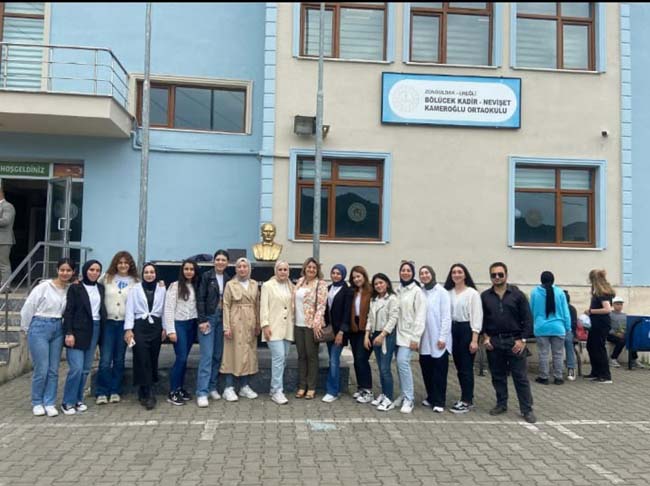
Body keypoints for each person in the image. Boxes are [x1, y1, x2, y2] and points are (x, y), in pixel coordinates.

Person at [481, 262, 536, 424]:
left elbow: (528, 319)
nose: (497, 277)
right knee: (497, 376)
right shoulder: (485, 296)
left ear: (506, 275)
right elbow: (481, 319)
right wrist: (485, 337)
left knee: (520, 377)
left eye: (500, 274)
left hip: (515, 341)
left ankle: (526, 409)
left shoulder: (518, 295)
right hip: (494, 341)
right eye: (493, 275)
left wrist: (523, 340)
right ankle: (501, 404)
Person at [20, 258, 75, 417]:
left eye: (68, 270)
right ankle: (37, 402)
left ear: (73, 272)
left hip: (58, 327)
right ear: (57, 270)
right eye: (62, 270)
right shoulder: (43, 287)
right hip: (40, 325)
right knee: (42, 368)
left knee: (53, 369)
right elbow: (28, 307)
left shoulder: (69, 289)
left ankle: (49, 402)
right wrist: (26, 328)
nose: (65, 273)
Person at [61, 259, 106, 415]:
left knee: (86, 369)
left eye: (97, 270)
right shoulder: (75, 288)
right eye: (91, 269)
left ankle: (78, 399)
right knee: (76, 368)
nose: (94, 273)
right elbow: (69, 311)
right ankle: (67, 402)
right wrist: (69, 332)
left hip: (95, 328)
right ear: (85, 270)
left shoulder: (100, 288)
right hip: (78, 331)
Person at [95, 251, 138, 405]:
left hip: (124, 325)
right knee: (105, 360)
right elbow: (92, 287)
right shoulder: (106, 278)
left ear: (130, 264)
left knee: (119, 359)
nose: (123, 265)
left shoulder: (135, 281)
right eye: (120, 262)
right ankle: (102, 391)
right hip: (108, 323)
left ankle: (115, 390)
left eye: (126, 262)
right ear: (115, 264)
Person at [124, 263, 166, 410]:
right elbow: (129, 309)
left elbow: (164, 309)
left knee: (153, 358)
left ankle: (145, 388)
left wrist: (165, 328)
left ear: (156, 274)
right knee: (142, 358)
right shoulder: (135, 289)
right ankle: (148, 393)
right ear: (142, 274)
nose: (149, 275)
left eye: (152, 272)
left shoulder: (162, 288)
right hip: (139, 326)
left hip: (155, 326)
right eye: (146, 272)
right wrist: (128, 329)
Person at [444, 263, 482, 414]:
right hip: (452, 330)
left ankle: (467, 400)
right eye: (454, 272)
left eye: (460, 272)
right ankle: (465, 397)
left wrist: (474, 339)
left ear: (465, 275)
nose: (456, 274)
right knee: (459, 367)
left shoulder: (472, 293)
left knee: (466, 367)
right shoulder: (448, 293)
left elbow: (477, 317)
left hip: (466, 330)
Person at [221, 257, 260, 401]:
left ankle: (244, 386)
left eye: (245, 266)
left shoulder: (254, 284)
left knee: (248, 353)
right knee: (232, 353)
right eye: (239, 267)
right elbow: (226, 305)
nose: (242, 269)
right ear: (236, 269)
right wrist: (227, 326)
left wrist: (258, 324)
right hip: (235, 321)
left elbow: (257, 304)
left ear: (249, 268)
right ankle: (228, 387)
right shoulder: (230, 284)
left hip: (250, 322)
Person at [196, 250, 231, 407]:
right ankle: (202, 392)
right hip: (209, 319)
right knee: (207, 356)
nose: (220, 262)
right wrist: (202, 320)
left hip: (222, 319)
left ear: (227, 263)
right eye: (218, 259)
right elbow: (200, 299)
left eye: (223, 260)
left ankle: (212, 387)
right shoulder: (206, 277)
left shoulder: (228, 279)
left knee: (217, 355)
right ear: (214, 261)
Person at [163, 260, 199, 406]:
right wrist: (170, 330)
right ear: (182, 271)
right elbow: (168, 309)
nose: (189, 272)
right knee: (181, 358)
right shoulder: (175, 286)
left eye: (191, 269)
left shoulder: (196, 286)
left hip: (191, 324)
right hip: (179, 325)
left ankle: (180, 388)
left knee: (184, 359)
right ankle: (172, 391)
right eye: (186, 269)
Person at [418, 265, 452, 413]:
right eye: (421, 273)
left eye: (427, 273)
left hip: (439, 338)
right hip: (424, 338)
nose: (424, 275)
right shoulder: (421, 292)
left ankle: (439, 401)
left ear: (432, 274)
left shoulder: (442, 292)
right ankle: (431, 396)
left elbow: (446, 317)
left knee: (439, 371)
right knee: (427, 369)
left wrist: (443, 337)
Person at [293, 257, 328, 400]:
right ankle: (302, 386)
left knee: (311, 356)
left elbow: (321, 306)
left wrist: (316, 324)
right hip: (298, 324)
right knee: (301, 356)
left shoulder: (321, 284)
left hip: (311, 326)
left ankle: (311, 387)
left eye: (314, 267)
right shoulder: (300, 281)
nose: (311, 269)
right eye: (309, 267)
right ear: (305, 268)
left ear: (317, 270)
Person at [260, 260, 294, 405]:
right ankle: (276, 390)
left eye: (285, 270)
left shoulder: (291, 286)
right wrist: (265, 325)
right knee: (278, 358)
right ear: (275, 271)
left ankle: (275, 388)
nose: (283, 272)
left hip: (287, 328)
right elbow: (263, 307)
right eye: (280, 269)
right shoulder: (267, 286)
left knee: (283, 358)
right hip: (273, 328)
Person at [364, 273, 399, 411]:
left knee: (385, 368)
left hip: (386, 335)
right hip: (375, 334)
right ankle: (384, 394)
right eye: (376, 284)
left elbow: (393, 319)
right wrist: (367, 335)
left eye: (381, 283)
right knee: (380, 367)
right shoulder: (374, 299)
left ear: (387, 283)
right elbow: (369, 318)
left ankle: (389, 399)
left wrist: (383, 335)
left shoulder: (392, 299)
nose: (378, 285)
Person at [394, 261, 426, 414]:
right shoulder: (397, 289)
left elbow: (420, 315)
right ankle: (403, 394)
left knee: (403, 362)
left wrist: (416, 337)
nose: (405, 272)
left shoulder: (417, 291)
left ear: (412, 273)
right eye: (403, 270)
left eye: (408, 270)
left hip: (409, 335)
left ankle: (409, 399)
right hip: (396, 334)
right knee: (399, 366)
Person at [530, 271, 571, 385]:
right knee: (558, 354)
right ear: (553, 280)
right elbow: (566, 312)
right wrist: (567, 327)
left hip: (541, 328)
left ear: (541, 280)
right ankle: (558, 377)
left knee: (543, 353)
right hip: (558, 327)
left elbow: (531, 310)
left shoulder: (534, 292)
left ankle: (544, 377)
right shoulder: (560, 292)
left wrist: (532, 324)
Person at [322, 264, 353, 403]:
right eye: (333, 273)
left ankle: (332, 391)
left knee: (334, 360)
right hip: (329, 331)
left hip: (340, 332)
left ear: (343, 275)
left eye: (338, 273)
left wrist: (341, 332)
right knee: (332, 359)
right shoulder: (328, 288)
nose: (335, 275)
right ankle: (336, 388)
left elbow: (347, 312)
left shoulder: (347, 291)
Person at [348, 265, 374, 404]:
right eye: (354, 277)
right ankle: (361, 387)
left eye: (358, 276)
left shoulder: (371, 291)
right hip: (354, 327)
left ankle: (368, 390)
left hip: (366, 328)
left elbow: (372, 312)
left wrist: (367, 333)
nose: (356, 279)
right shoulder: (353, 291)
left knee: (362, 358)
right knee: (356, 360)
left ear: (364, 276)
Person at [585, 269, 615, 383]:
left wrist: (591, 311)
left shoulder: (602, 293)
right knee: (591, 346)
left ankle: (605, 375)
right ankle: (596, 372)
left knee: (599, 348)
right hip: (596, 323)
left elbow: (607, 309)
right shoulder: (599, 292)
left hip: (601, 323)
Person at [608, 296, 643, 369]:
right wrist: (616, 333)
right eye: (617, 304)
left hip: (622, 334)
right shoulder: (609, 315)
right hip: (610, 334)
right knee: (622, 341)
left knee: (631, 340)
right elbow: (606, 327)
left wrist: (625, 333)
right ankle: (613, 359)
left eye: (621, 304)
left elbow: (627, 326)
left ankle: (634, 360)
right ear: (613, 305)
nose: (619, 306)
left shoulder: (625, 315)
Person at [0, 187, 16, 287]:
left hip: (3, 240)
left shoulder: (8, 206)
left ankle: (5, 286)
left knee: (3, 264)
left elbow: (6, 221)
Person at [563, 290, 578, 381]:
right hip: (557, 331)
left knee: (568, 342)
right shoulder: (556, 308)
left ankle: (571, 367)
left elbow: (573, 324)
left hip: (568, 331)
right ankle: (557, 368)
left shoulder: (571, 309)